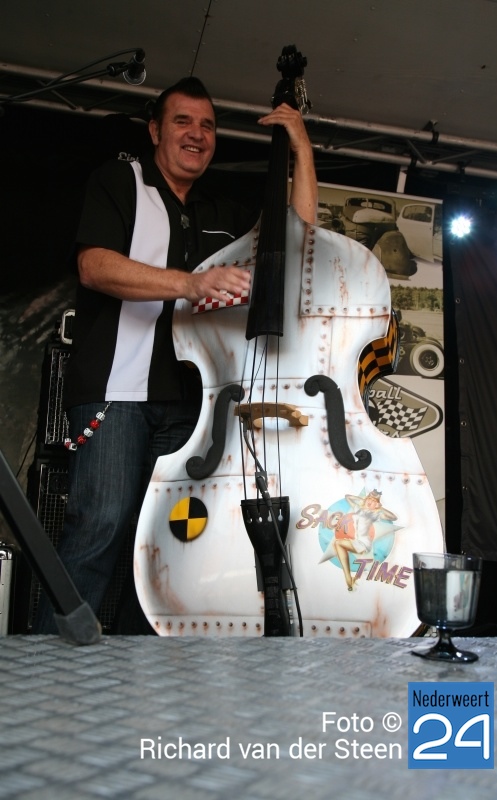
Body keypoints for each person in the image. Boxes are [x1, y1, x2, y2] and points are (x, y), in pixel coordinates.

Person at [33, 76, 318, 634]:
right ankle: (51, 666)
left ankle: (137, 672)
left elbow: (299, 238)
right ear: (155, 130)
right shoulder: (120, 180)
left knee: (168, 545)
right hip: (117, 393)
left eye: (207, 125)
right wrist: (190, 283)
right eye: (183, 121)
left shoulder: (220, 207)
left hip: (194, 405)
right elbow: (93, 266)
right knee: (101, 526)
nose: (197, 134)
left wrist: (301, 149)